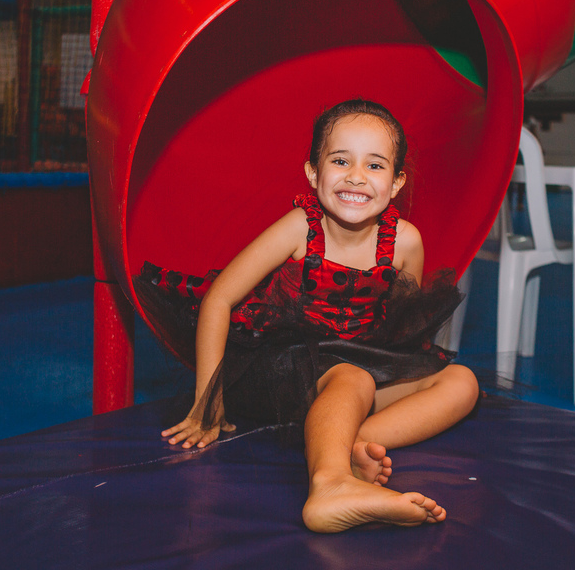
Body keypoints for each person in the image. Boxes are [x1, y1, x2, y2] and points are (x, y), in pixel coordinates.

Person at [132, 99, 479, 533]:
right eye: (340, 161)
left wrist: (410, 376)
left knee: (461, 382)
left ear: (396, 183)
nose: (356, 176)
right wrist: (209, 399)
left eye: (375, 165)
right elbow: (218, 300)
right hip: (278, 366)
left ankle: (352, 442)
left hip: (357, 363)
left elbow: (402, 335)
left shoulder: (405, 242)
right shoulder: (301, 228)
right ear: (313, 174)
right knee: (354, 377)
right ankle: (330, 485)